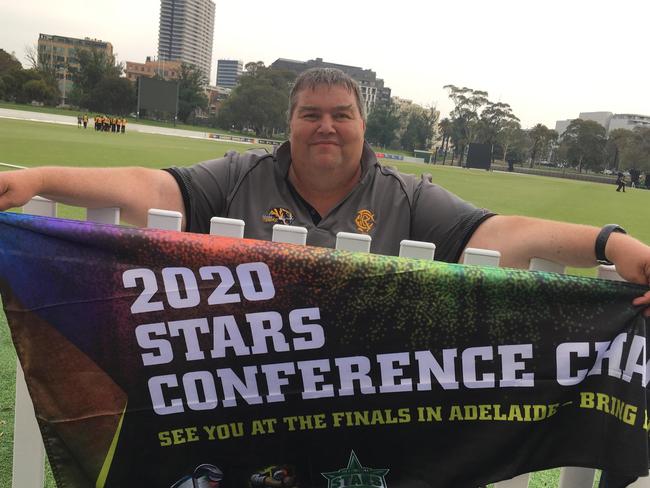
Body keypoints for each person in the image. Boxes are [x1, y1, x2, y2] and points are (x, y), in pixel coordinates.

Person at [0, 68, 648, 319]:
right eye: (311, 113)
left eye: (342, 113)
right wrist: (35, 180)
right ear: (290, 123)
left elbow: (497, 235)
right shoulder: (240, 176)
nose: (326, 126)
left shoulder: (408, 193)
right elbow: (150, 189)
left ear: (364, 126)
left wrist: (606, 242)